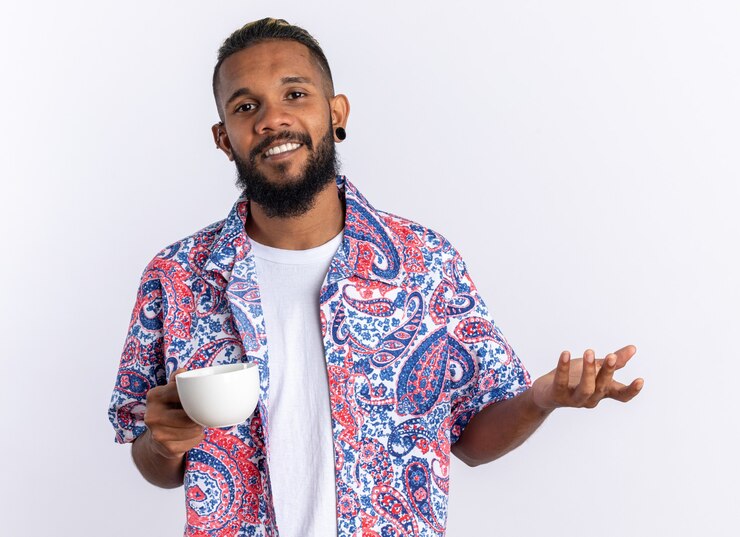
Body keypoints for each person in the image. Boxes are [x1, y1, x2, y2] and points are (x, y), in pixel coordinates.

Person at [108, 18, 643, 537]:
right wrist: (162, 444)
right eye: (247, 106)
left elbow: (472, 441)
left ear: (336, 113)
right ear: (225, 137)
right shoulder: (176, 277)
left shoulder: (426, 263)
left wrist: (540, 398)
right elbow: (154, 461)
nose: (272, 119)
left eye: (295, 94)